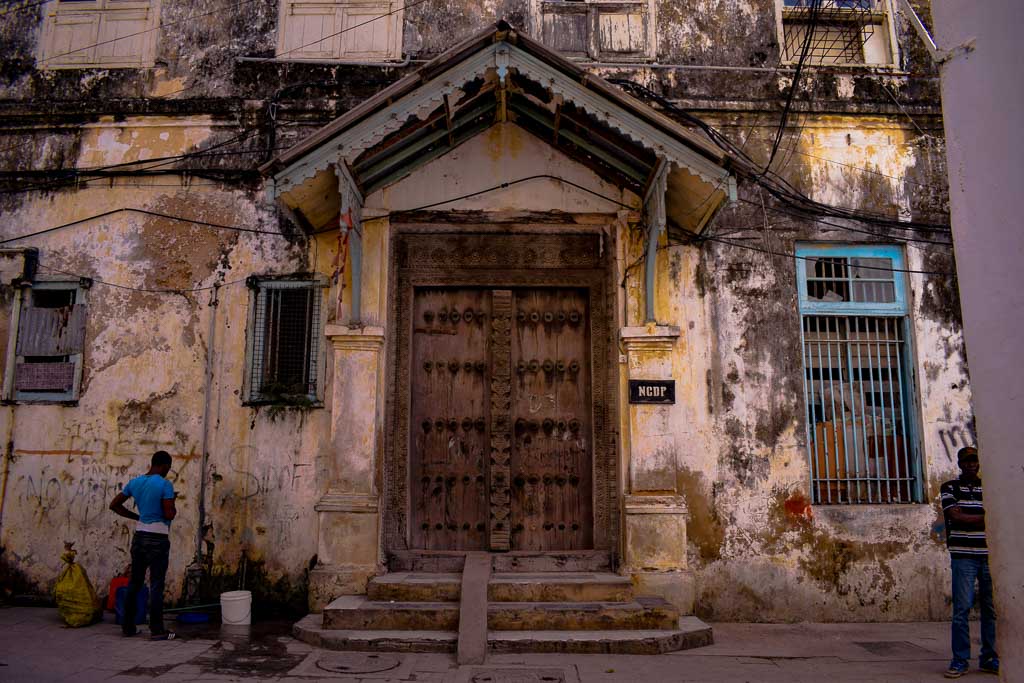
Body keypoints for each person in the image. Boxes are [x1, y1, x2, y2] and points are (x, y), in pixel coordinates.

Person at [940, 446, 997, 677]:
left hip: (988, 556)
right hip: (963, 556)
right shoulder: (950, 487)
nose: (971, 465)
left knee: (990, 609)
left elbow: (996, 515)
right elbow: (954, 515)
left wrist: (971, 517)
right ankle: (960, 659)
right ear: (960, 464)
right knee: (961, 609)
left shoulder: (989, 488)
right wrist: (985, 516)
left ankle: (989, 656)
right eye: (967, 461)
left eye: (974, 461)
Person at [109, 450, 177, 640]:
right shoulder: (165, 485)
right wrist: (173, 503)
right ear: (164, 465)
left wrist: (136, 517)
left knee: (135, 583)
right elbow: (169, 514)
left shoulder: (135, 482)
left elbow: (114, 504)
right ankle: (157, 630)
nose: (168, 471)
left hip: (140, 536)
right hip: (158, 538)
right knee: (156, 584)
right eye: (168, 468)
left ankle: (128, 627)